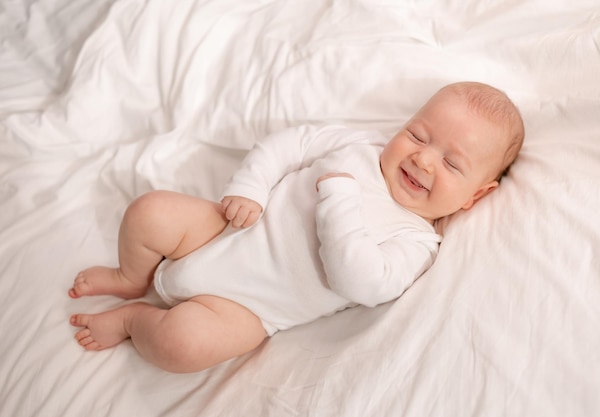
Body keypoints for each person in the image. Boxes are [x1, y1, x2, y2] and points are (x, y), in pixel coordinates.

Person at [68, 81, 525, 373]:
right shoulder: (359, 147)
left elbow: (363, 282)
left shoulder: (417, 241)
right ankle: (132, 278)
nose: (423, 158)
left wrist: (340, 203)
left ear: (476, 195)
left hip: (247, 308)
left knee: (181, 346)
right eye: (418, 135)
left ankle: (134, 320)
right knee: (150, 211)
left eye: (450, 162)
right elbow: (291, 144)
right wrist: (252, 186)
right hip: (225, 228)